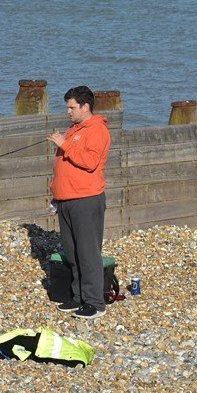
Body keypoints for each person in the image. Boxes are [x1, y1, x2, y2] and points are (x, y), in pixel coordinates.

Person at [47, 86, 112, 319]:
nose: (68, 111)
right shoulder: (75, 129)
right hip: (67, 199)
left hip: (86, 199)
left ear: (85, 107)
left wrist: (63, 144)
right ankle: (77, 296)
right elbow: (63, 167)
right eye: (67, 107)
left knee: (88, 252)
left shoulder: (97, 130)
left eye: (72, 107)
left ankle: (95, 303)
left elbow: (90, 162)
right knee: (72, 252)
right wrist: (56, 195)